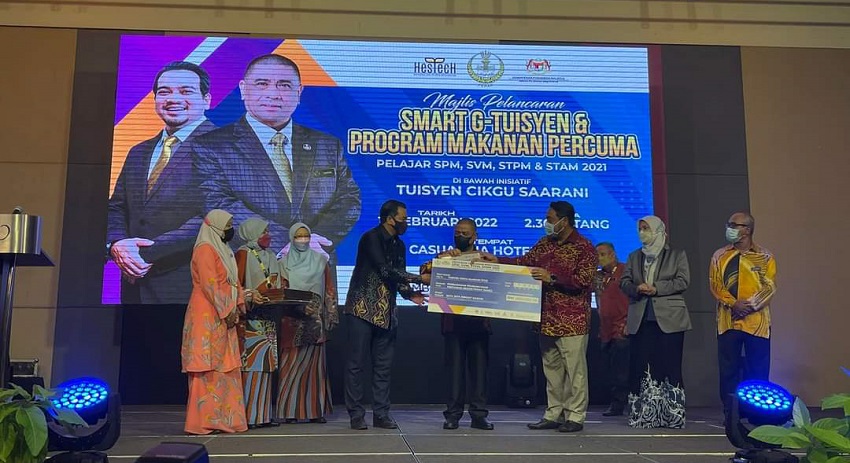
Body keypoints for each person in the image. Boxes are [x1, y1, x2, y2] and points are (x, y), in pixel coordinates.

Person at [193, 53, 361, 256]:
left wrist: (315, 240)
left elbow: (348, 199)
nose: (273, 94)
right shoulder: (210, 146)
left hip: (317, 262)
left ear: (299, 92)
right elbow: (218, 203)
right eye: (262, 84)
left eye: (284, 85)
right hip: (249, 264)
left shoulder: (327, 144)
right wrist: (286, 242)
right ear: (243, 89)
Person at [481, 201, 597, 433]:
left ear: (564, 221)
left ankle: (575, 416)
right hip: (546, 318)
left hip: (572, 321)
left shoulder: (584, 248)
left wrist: (551, 277)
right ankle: (554, 413)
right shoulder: (545, 244)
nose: (547, 223)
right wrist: (498, 261)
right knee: (552, 371)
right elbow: (523, 263)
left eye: (550, 219)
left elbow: (583, 281)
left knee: (574, 371)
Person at [108, 61, 217, 304]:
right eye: (164, 92)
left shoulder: (226, 147)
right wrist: (118, 244)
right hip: (134, 289)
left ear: (206, 100)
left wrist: (145, 252)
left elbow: (215, 218)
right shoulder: (138, 151)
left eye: (186, 91)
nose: (173, 99)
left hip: (192, 289)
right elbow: (117, 206)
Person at [343, 200, 426, 430]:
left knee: (383, 367)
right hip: (362, 309)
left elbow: (397, 276)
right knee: (356, 364)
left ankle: (381, 414)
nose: (406, 222)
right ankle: (356, 414)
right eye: (403, 218)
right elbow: (384, 270)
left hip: (386, 312)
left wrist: (410, 294)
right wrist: (419, 278)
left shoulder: (399, 245)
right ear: (390, 219)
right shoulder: (371, 238)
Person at [181, 209, 251, 435]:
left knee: (225, 365)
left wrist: (237, 305)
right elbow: (209, 284)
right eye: (227, 226)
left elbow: (233, 282)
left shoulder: (224, 250)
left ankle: (227, 420)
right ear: (215, 227)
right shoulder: (204, 249)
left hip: (224, 315)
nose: (230, 230)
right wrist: (226, 309)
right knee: (207, 366)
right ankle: (203, 422)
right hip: (207, 313)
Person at [419, 219, 493, 431]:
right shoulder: (445, 257)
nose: (460, 236)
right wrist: (441, 260)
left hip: (479, 322)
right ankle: (453, 415)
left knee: (479, 373)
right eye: (457, 232)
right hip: (453, 322)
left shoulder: (485, 258)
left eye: (465, 233)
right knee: (454, 372)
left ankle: (479, 415)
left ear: (474, 236)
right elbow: (423, 270)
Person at [710, 212, 776, 417]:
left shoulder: (765, 256)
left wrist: (749, 306)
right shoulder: (719, 256)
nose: (729, 228)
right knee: (728, 370)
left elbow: (769, 287)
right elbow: (716, 285)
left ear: (747, 230)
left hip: (757, 324)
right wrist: (733, 304)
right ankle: (731, 413)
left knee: (758, 369)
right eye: (728, 224)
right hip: (728, 322)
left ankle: (757, 414)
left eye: (734, 225)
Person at [620, 216, 691, 395]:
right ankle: (644, 409)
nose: (642, 232)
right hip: (641, 318)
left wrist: (656, 288)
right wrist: (637, 288)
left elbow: (682, 281)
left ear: (658, 230)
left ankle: (672, 408)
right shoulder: (634, 256)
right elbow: (624, 282)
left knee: (670, 365)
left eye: (646, 228)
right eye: (640, 229)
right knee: (642, 366)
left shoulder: (676, 255)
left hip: (670, 319)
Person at [277, 222, 338, 423]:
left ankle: (314, 411)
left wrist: (331, 315)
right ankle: (290, 411)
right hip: (292, 321)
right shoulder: (283, 264)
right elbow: (281, 291)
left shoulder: (320, 261)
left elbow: (329, 289)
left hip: (315, 321)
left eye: (306, 236)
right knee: (291, 366)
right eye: (298, 236)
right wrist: (297, 308)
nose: (302, 240)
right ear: (291, 238)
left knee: (314, 369)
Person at [234, 218, 282, 428]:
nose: (267, 235)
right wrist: (250, 295)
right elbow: (236, 284)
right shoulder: (243, 254)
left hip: (268, 317)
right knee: (252, 367)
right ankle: (249, 416)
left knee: (266, 367)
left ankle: (263, 416)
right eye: (264, 231)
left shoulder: (271, 255)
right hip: (250, 319)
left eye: (268, 230)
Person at [594, 242, 630, 417]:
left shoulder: (626, 271)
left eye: (602, 254)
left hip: (622, 327)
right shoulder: (598, 276)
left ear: (612, 255)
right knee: (611, 369)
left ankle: (621, 404)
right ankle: (615, 402)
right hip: (605, 330)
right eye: (597, 255)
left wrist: (630, 322)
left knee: (622, 370)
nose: (599, 259)